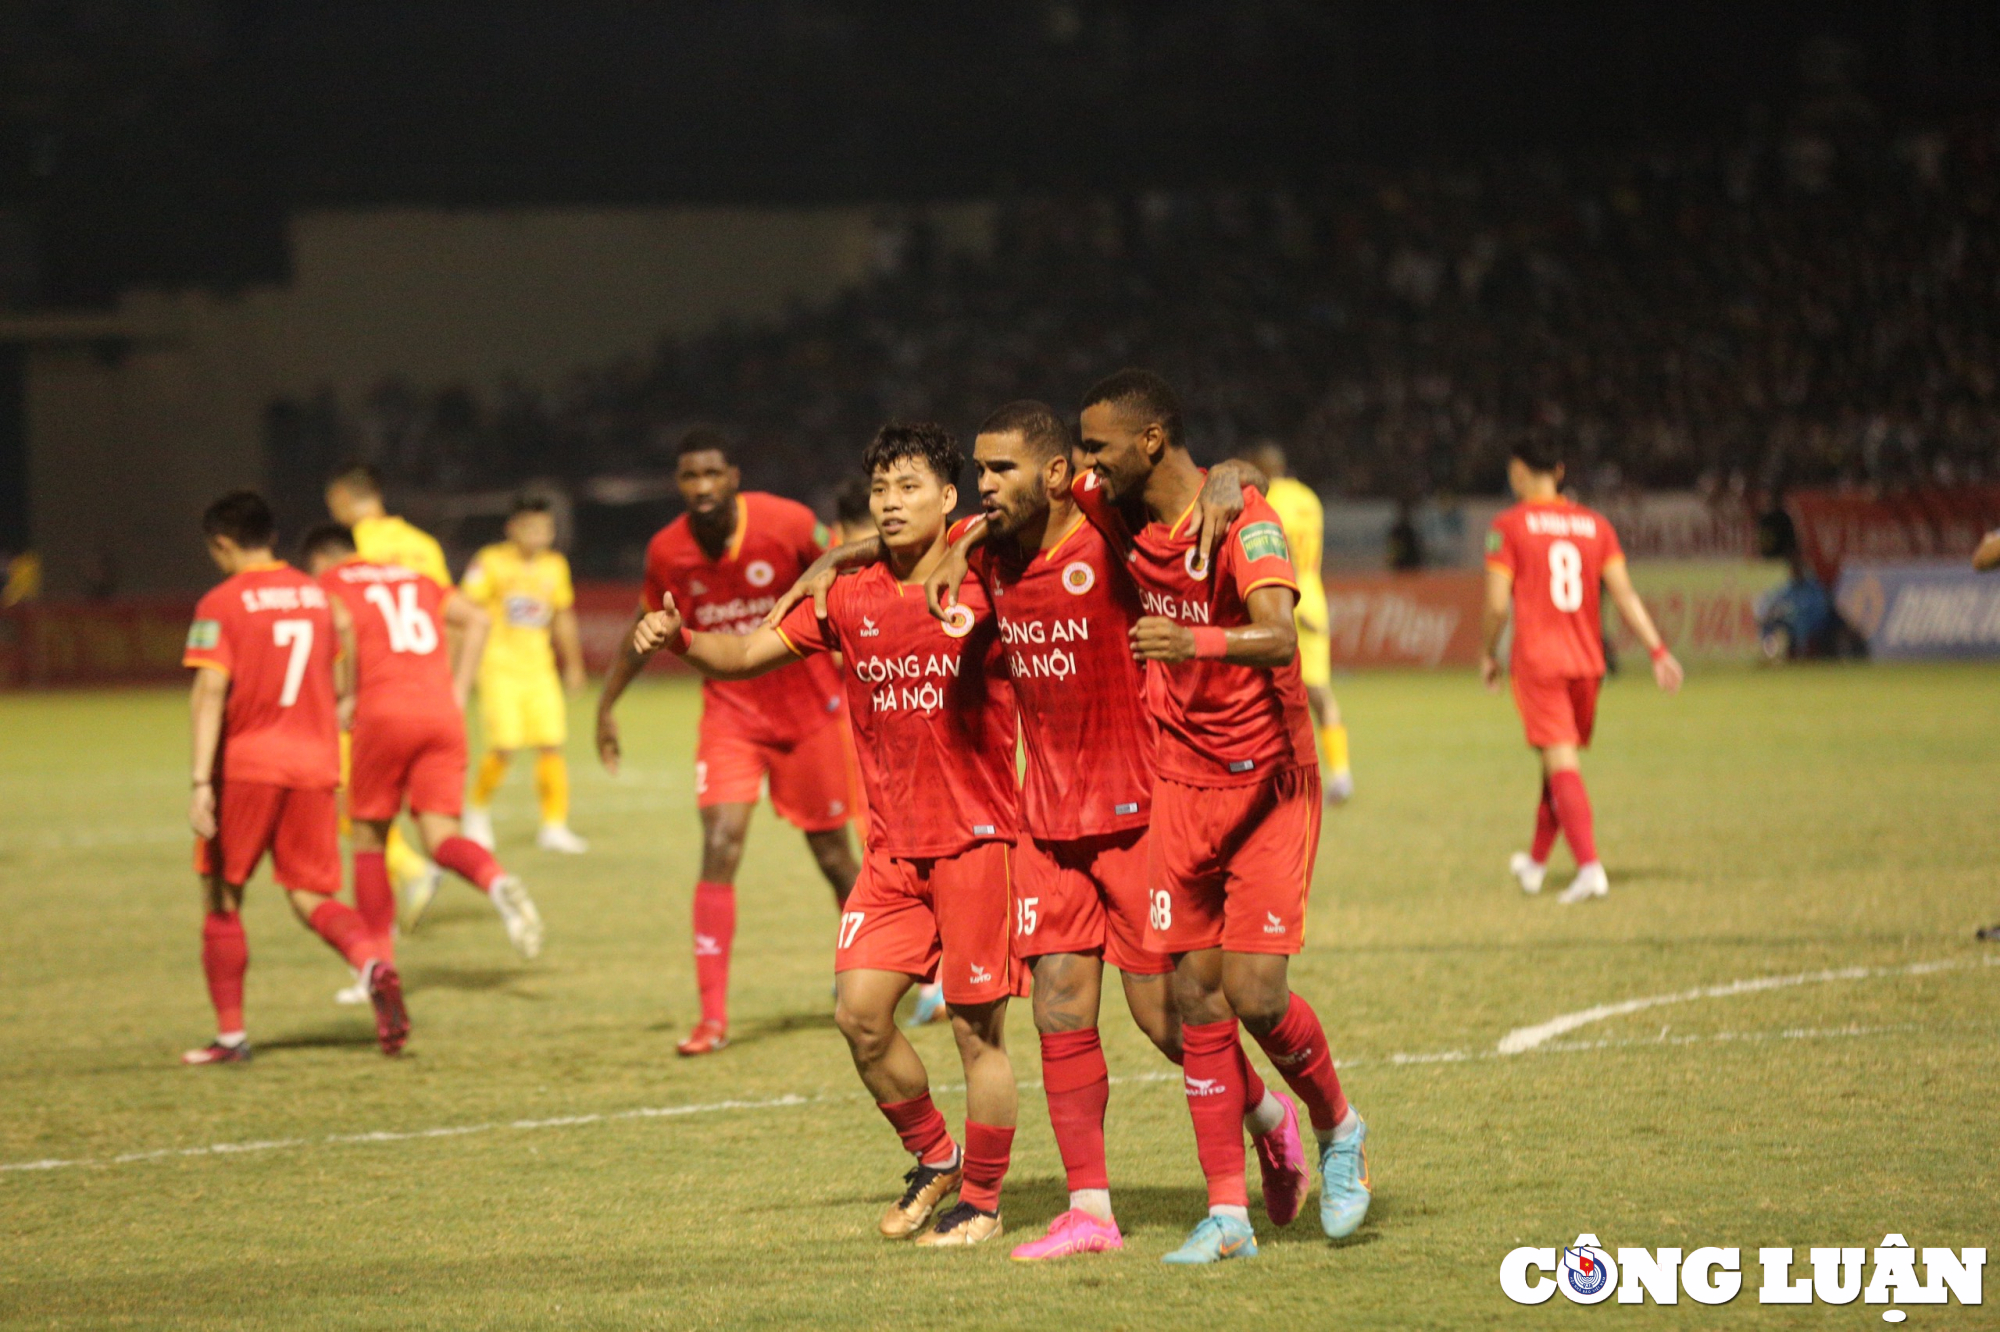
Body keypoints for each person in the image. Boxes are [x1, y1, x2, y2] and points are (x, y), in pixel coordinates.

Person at [907, 402, 1310, 1260]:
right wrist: (888, 546)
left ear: (1056, 475)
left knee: (1169, 1024)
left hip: (1142, 815)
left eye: (999, 471)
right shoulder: (988, 559)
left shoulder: (1110, 535)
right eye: (978, 474)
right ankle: (1090, 1212)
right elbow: (910, 542)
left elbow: (1202, 494)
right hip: (1048, 825)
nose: (983, 488)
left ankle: (1272, 1121)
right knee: (1057, 1009)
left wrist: (1239, 472)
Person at [632, 422, 1019, 1249]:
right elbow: (743, 656)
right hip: (889, 853)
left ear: (949, 498)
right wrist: (682, 639)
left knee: (975, 1032)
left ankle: (982, 1204)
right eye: (880, 488)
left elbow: (1039, 511)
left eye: (909, 486)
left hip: (978, 841)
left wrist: (972, 532)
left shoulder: (989, 574)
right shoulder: (849, 592)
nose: (889, 501)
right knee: (860, 1015)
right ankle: (936, 1158)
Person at [1063, 370, 1369, 1263]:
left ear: (1150, 441)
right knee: (1191, 994)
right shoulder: (1117, 507)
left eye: (1098, 446)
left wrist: (1189, 637)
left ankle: (1340, 1129)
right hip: (1182, 783)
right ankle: (1228, 1216)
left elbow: (1279, 633)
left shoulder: (1246, 521)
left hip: (1270, 781)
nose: (1087, 464)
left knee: (1256, 995)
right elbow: (1035, 484)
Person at [596, 429, 860, 1057]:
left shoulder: (787, 522)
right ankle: (712, 1019)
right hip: (730, 717)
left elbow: (845, 567)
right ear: (679, 484)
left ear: (734, 476)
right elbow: (647, 624)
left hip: (809, 713)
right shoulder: (668, 550)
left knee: (834, 859)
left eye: (713, 474)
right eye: (690, 477)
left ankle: (884, 976)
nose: (703, 487)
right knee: (720, 846)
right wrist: (607, 703)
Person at [180, 491, 408, 1063]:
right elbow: (347, 641)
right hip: (315, 764)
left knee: (220, 895)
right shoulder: (316, 595)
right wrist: (348, 695)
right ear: (273, 537)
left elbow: (209, 692)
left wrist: (201, 783)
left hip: (249, 766)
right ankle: (373, 963)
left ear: (223, 543)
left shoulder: (220, 602)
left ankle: (231, 1036)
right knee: (309, 893)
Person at [303, 525, 544, 961]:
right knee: (441, 836)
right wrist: (459, 689)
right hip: (441, 715)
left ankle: (378, 967)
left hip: (382, 714)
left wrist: (347, 692)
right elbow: (478, 619)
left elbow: (339, 626)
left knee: (369, 839)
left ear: (322, 559)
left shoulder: (331, 583)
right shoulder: (414, 578)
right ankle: (496, 881)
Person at [1481, 433, 1683, 904]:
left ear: (1517, 472)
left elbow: (1495, 606)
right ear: (1561, 471)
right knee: (1555, 758)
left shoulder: (1508, 526)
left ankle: (1590, 869)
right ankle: (1534, 863)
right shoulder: (1596, 525)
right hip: (1588, 662)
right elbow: (1625, 593)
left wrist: (1488, 652)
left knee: (1560, 761)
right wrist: (1657, 650)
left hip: (1540, 661)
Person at [324, 463, 454, 903]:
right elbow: (446, 615)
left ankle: (408, 872)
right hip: (427, 689)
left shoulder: (355, 548)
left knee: (351, 802)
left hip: (370, 690)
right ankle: (408, 875)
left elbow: (346, 622)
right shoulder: (423, 544)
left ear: (343, 498)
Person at [459, 496, 589, 853]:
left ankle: (554, 825)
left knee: (551, 744)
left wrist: (574, 665)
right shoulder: (490, 562)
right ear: (512, 528)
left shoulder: (555, 566)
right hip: (499, 668)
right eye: (530, 527)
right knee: (504, 746)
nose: (539, 534)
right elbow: (465, 608)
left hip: (540, 671)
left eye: (545, 528)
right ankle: (477, 812)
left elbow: (563, 615)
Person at [1236, 442, 1354, 803]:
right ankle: (1342, 774)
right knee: (1320, 694)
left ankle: (1279, 778)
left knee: (1271, 693)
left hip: (1282, 598)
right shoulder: (1309, 499)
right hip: (1314, 598)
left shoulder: (1267, 500)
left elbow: (1273, 549)